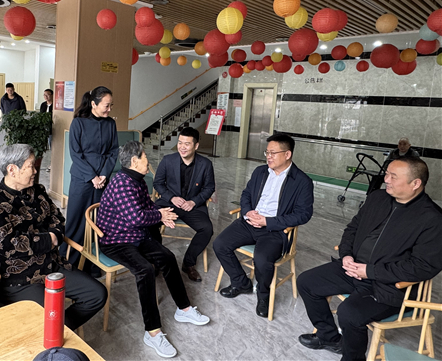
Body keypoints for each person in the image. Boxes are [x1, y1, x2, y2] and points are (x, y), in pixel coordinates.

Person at [297, 156, 442, 361]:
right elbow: (352, 228)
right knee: (306, 282)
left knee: (349, 313)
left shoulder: (432, 219)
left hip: (389, 285)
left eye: (393, 176)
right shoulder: (378, 198)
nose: (386, 180)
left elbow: (423, 266)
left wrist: (370, 271)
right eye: (387, 174)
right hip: (353, 268)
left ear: (415, 183)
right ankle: (329, 337)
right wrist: (346, 255)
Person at [96, 141, 210, 359]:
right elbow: (136, 217)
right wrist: (159, 215)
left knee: (168, 257)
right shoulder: (122, 182)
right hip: (115, 240)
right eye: (145, 156)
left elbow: (147, 206)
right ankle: (153, 332)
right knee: (145, 270)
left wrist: (162, 214)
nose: (148, 160)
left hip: (135, 235)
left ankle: (184, 309)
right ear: (134, 161)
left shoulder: (137, 179)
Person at [0, 144, 107, 331]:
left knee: (97, 294)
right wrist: (50, 239)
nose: (35, 170)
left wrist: (50, 236)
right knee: (55, 324)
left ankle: (61, 328)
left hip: (52, 265)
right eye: (31, 165)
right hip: (21, 278)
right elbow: (9, 245)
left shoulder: (38, 191)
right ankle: (57, 329)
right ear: (12, 169)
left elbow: (58, 219)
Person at [213, 133, 313, 318]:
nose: (268, 156)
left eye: (273, 153)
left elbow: (303, 214)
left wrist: (268, 221)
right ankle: (241, 282)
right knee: (220, 244)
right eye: (267, 152)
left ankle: (263, 295)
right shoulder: (260, 172)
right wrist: (247, 211)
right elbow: (246, 194)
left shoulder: (302, 181)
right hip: (249, 222)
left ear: (287, 154)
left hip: (274, 229)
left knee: (262, 259)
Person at [61, 86, 119, 267]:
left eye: (111, 106)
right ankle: (68, 261)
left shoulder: (111, 124)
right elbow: (75, 154)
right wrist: (93, 177)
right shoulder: (78, 123)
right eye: (106, 106)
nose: (109, 110)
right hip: (82, 178)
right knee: (76, 220)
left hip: (103, 179)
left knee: (99, 220)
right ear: (94, 104)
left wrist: (104, 174)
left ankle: (92, 265)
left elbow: (113, 152)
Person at [149, 127, 215, 282]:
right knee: (150, 221)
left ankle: (188, 263)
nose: (182, 147)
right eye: (180, 143)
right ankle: (157, 260)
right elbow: (158, 183)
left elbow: (209, 188)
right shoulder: (168, 160)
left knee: (207, 229)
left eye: (187, 144)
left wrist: (194, 201)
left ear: (196, 146)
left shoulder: (205, 164)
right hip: (169, 202)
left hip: (192, 206)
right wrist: (172, 197)